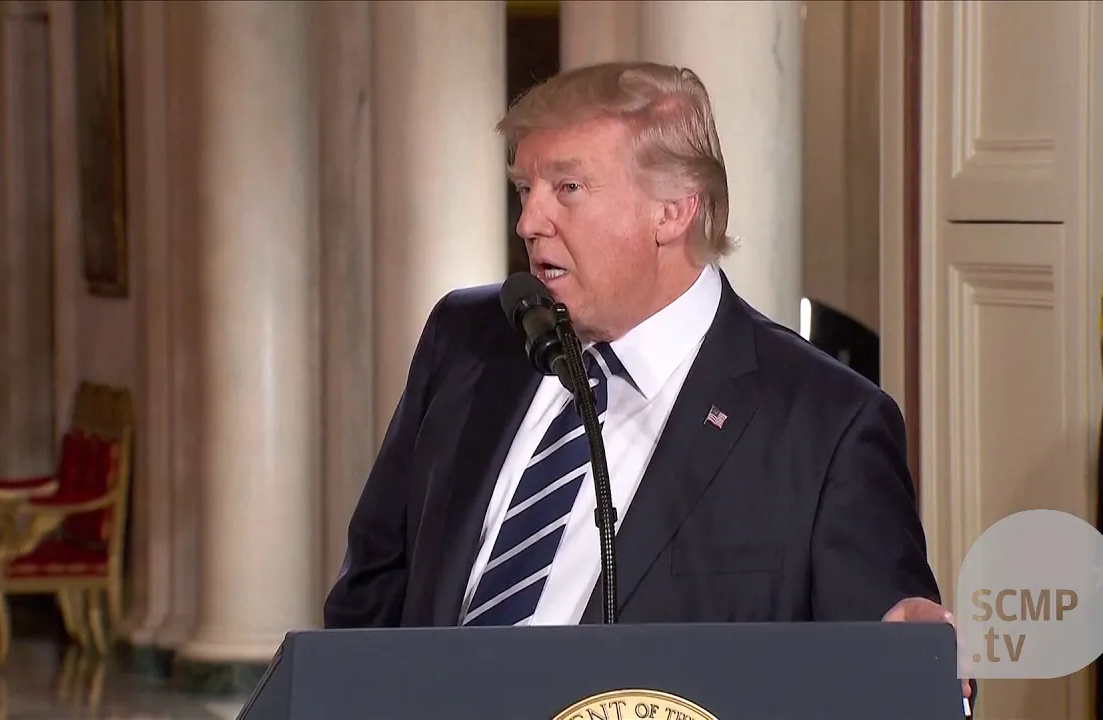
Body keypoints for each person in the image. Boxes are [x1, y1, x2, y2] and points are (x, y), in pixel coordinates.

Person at [324, 61, 971, 703]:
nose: (529, 221)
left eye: (567, 187)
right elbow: (372, 593)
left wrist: (912, 653)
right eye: (525, 188)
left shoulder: (826, 425)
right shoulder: (468, 338)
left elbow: (888, 660)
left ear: (673, 211)